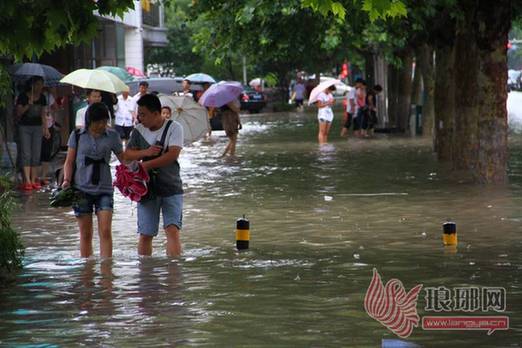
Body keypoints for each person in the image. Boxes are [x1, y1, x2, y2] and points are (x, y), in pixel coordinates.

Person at [124, 94, 184, 257]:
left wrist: (145, 165)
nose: (140, 118)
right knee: (145, 233)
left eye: (143, 114)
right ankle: (145, 276)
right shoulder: (138, 130)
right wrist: (146, 152)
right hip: (146, 189)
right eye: (139, 114)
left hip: (171, 186)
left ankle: (174, 274)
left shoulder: (174, 127)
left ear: (156, 113)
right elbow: (127, 154)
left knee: (172, 230)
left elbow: (172, 155)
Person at [62, 103, 124, 258]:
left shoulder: (113, 136)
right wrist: (66, 180)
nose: (102, 125)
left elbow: (124, 159)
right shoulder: (76, 135)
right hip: (81, 189)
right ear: (90, 121)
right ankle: (87, 270)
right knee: (86, 234)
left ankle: (106, 270)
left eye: (105, 121)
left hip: (105, 189)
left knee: (105, 231)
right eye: (99, 122)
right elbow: (69, 161)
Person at [15, 76, 50, 191]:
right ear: (32, 85)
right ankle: (27, 181)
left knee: (36, 153)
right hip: (24, 127)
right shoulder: (23, 96)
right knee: (26, 153)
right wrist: (28, 105)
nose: (40, 87)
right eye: (38, 84)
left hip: (37, 127)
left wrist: (46, 128)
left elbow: (43, 114)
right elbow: (18, 113)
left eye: (42, 84)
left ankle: (34, 179)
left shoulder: (42, 98)